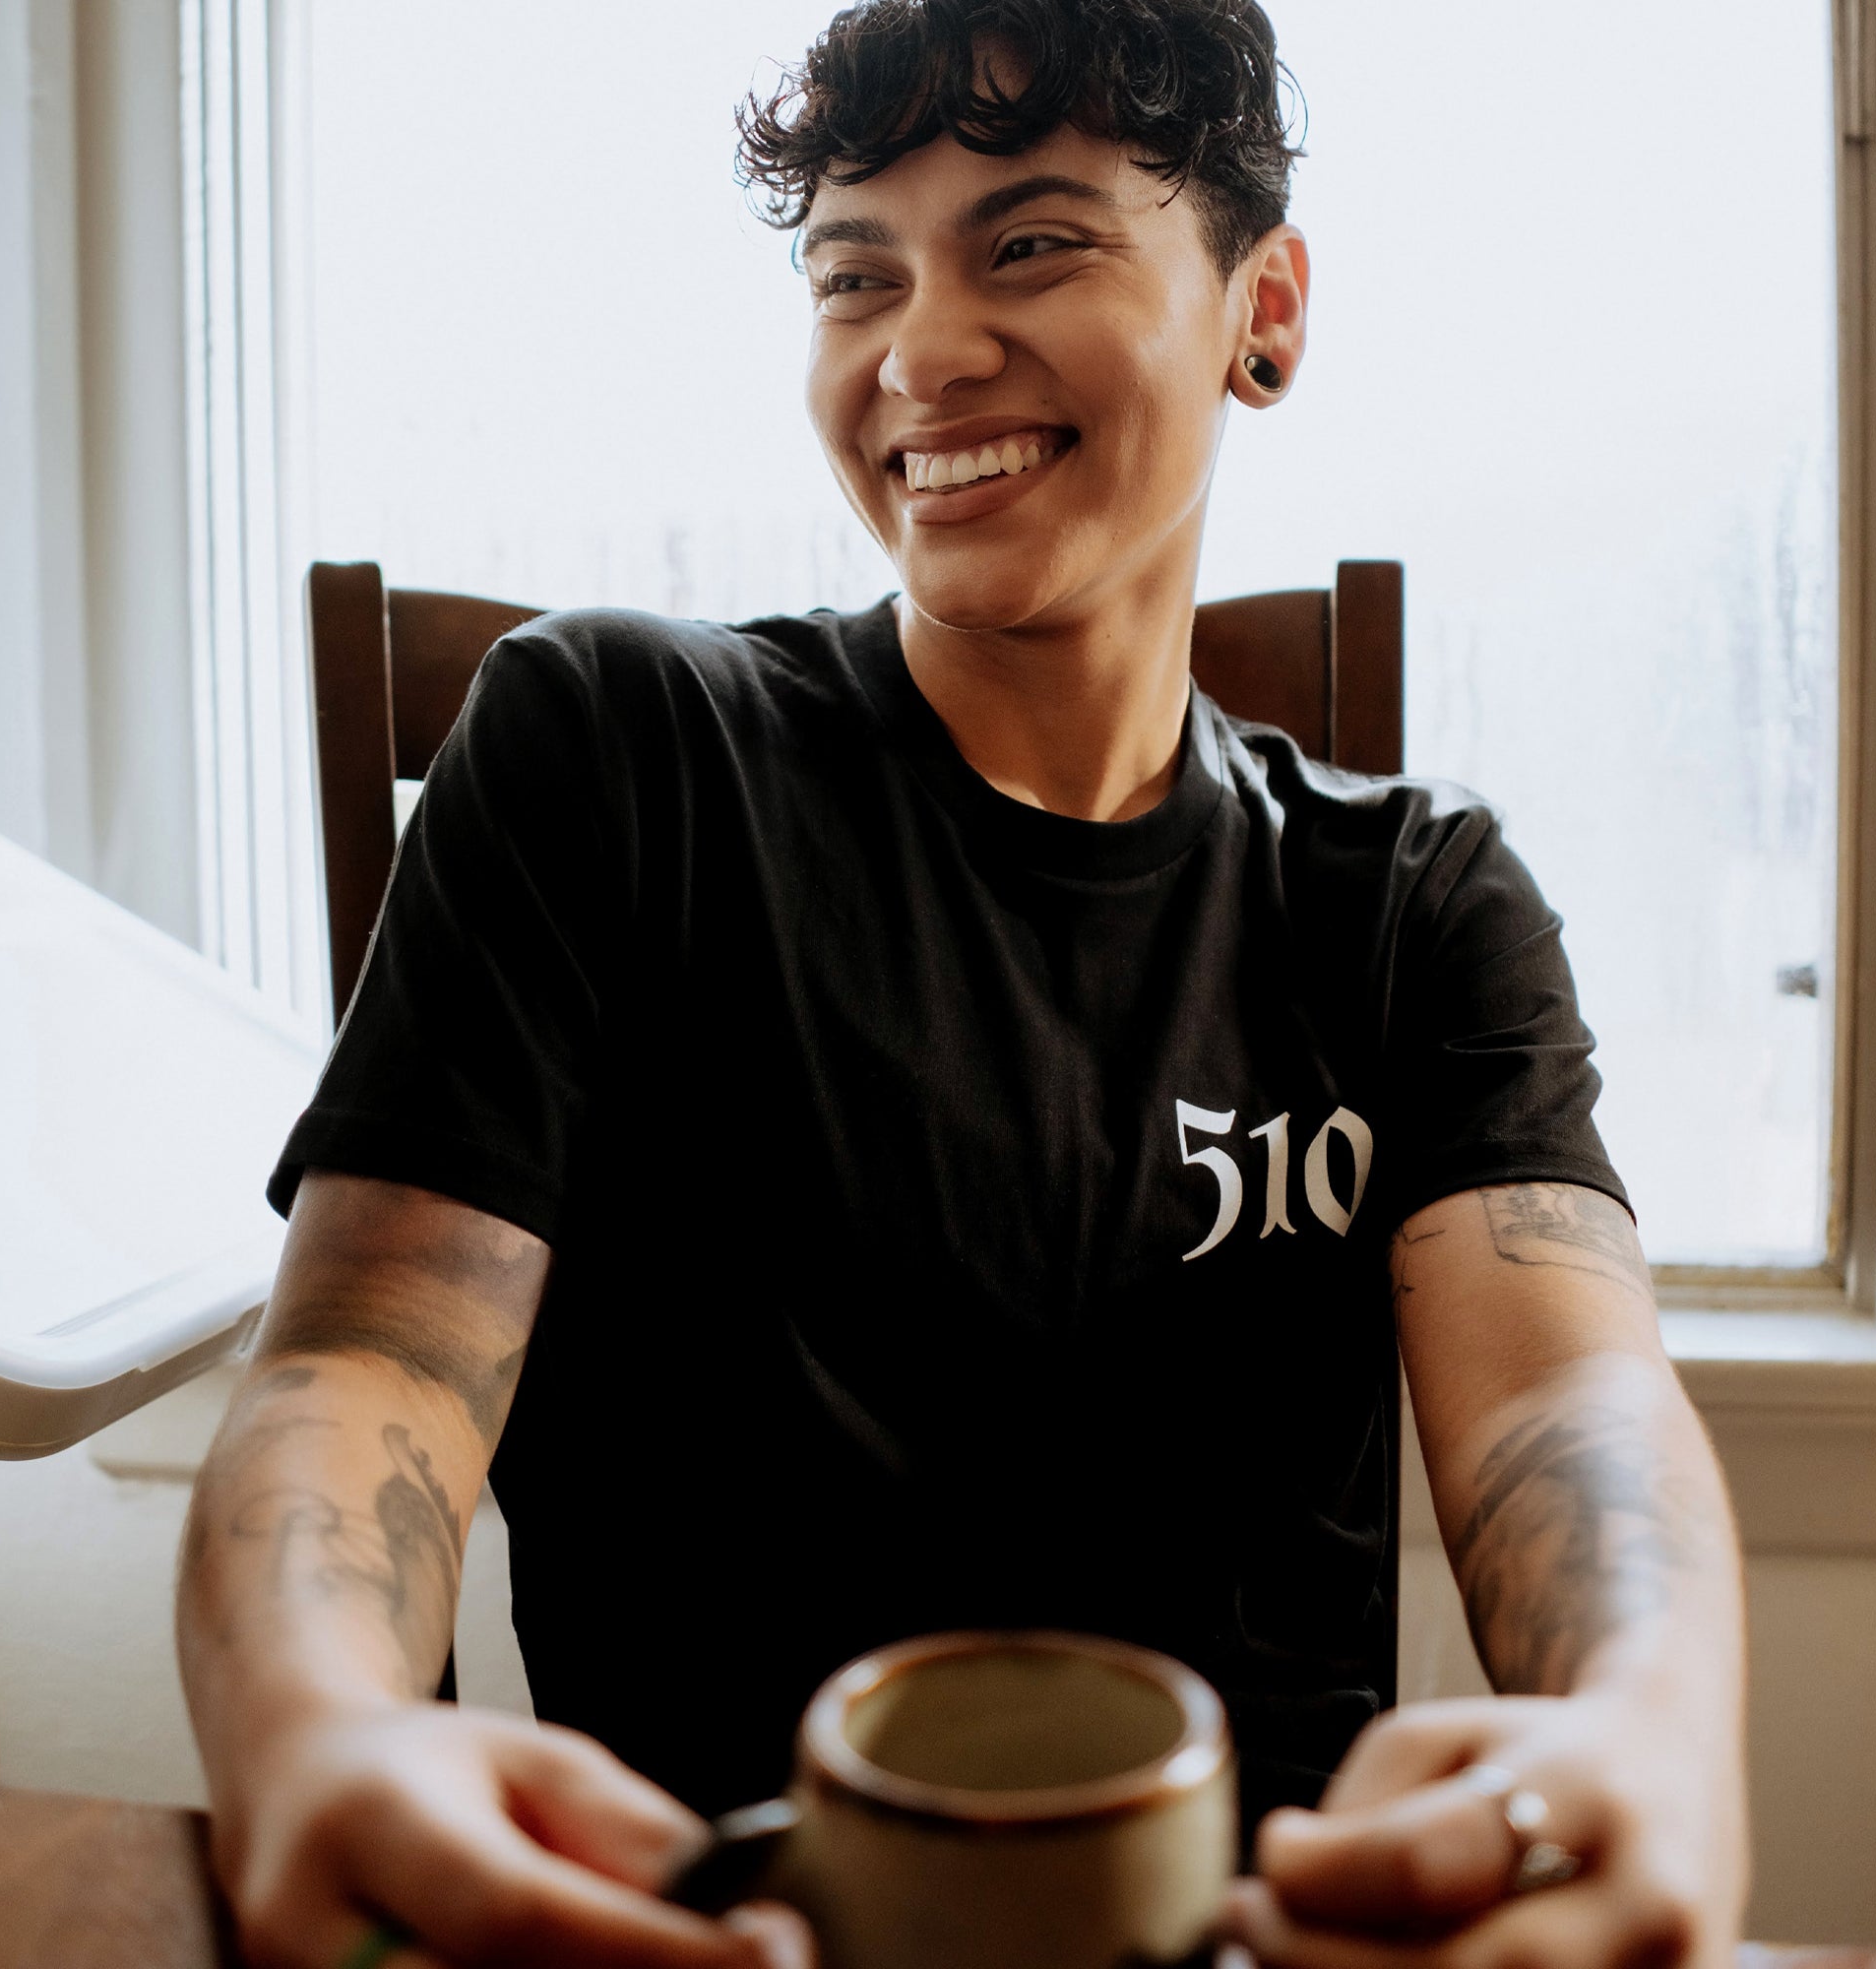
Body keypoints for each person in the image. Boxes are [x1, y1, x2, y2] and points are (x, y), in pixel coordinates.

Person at [177, 3, 1749, 1966]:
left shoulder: (1411, 902)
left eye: (1030, 243)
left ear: (1264, 308)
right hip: (709, 1933)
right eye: (855, 275)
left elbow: (1566, 1413)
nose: (919, 352)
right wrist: (312, 1719)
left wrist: (1650, 1720)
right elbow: (367, 1359)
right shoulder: (617, 751)